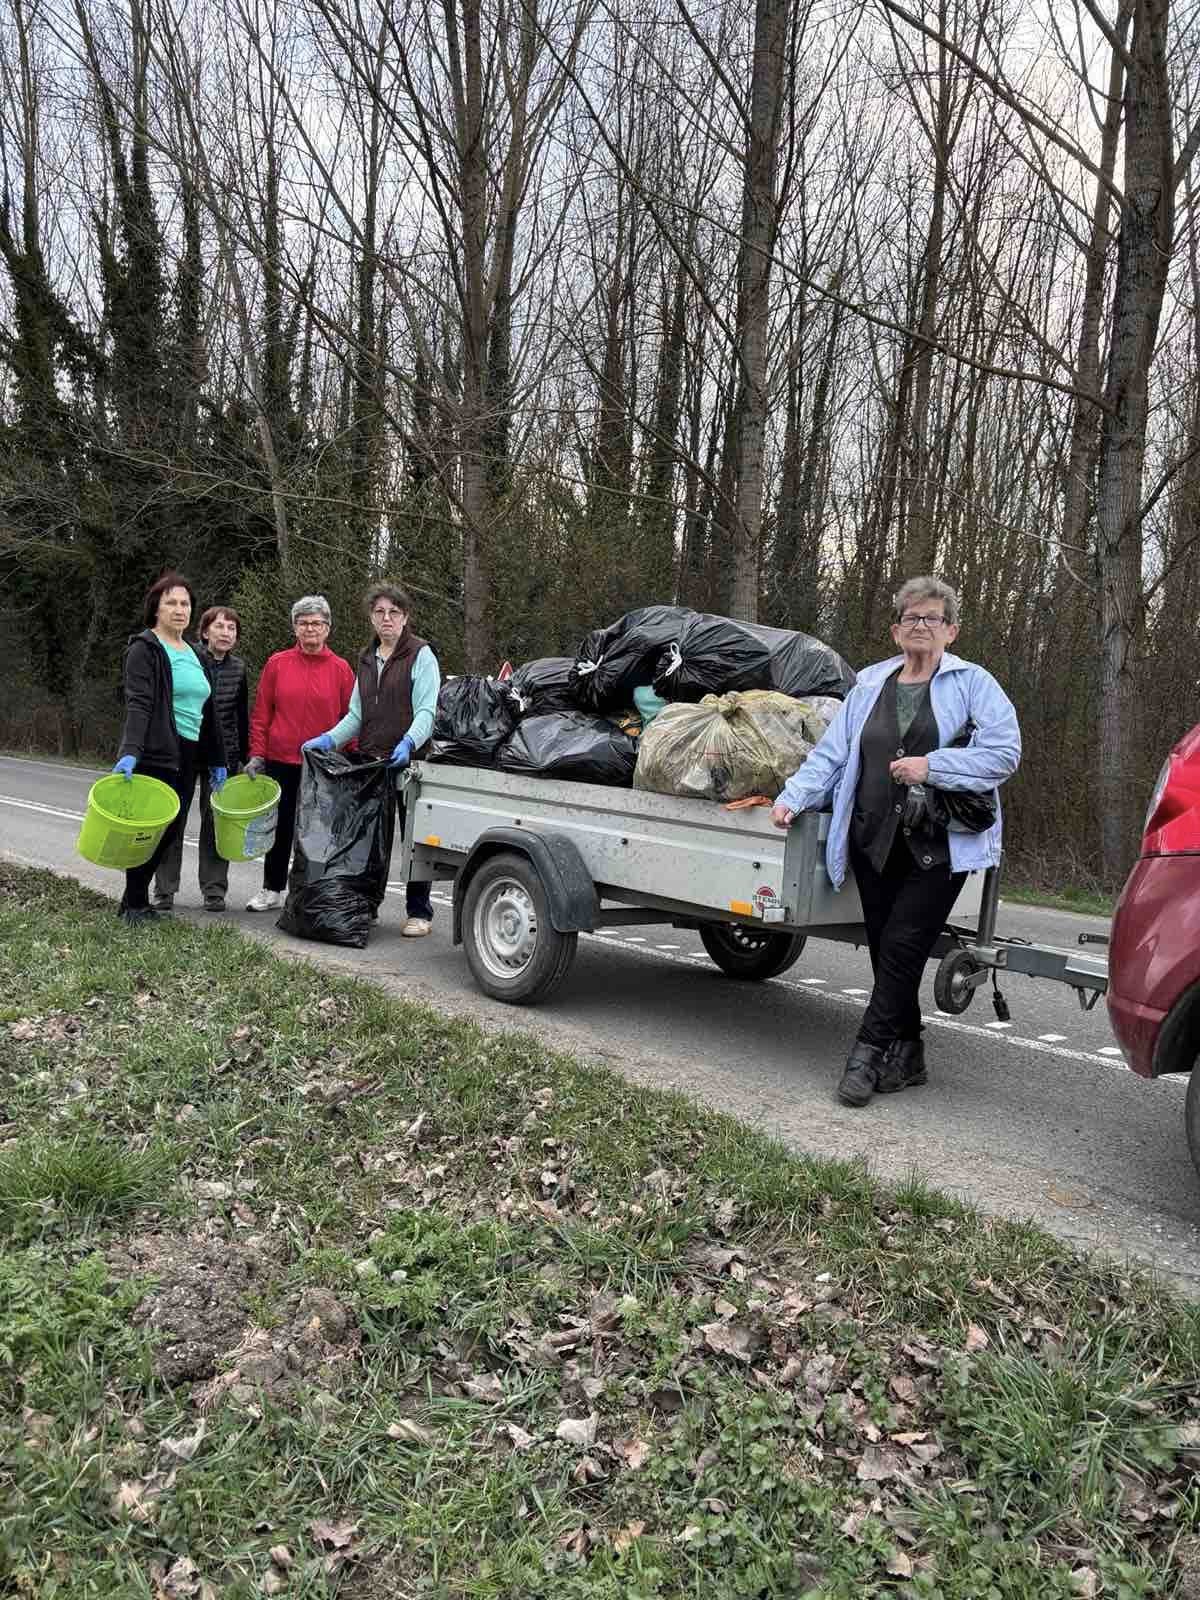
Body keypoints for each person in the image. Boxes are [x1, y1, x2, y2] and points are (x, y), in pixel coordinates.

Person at [771, 576, 1021, 1108]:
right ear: (895, 629)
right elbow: (834, 753)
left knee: (905, 945)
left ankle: (866, 1055)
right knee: (888, 951)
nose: (921, 626)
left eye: (932, 618)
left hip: (939, 846)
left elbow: (1003, 754)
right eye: (911, 618)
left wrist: (934, 766)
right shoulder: (869, 684)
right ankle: (909, 1054)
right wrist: (794, 796)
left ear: (951, 630)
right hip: (872, 837)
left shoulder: (974, 684)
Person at [304, 582, 440, 936]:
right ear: (371, 617)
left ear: (405, 616)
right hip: (371, 762)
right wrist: (329, 739)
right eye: (380, 612)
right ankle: (366, 905)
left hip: (409, 763)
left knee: (413, 842)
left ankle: (419, 912)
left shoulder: (420, 654)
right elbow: (355, 715)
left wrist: (410, 742)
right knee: (369, 841)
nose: (387, 619)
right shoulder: (366, 658)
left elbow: (427, 710)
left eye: (394, 612)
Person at [111, 572, 228, 925]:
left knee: (171, 830)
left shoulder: (196, 654)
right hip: (157, 749)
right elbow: (139, 704)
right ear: (156, 608)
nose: (180, 609)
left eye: (185, 603)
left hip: (189, 753)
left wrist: (217, 759)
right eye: (171, 603)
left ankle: (133, 902)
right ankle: (134, 905)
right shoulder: (144, 649)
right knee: (149, 830)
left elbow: (209, 711)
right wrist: (131, 750)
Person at [242, 595, 355, 912]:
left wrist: (353, 760)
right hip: (281, 760)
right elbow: (262, 714)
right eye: (303, 623)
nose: (310, 629)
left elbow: (352, 718)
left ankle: (312, 892)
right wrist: (257, 754)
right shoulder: (277, 663)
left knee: (318, 832)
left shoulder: (342, 670)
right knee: (279, 828)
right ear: (294, 628)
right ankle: (271, 889)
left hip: (322, 765)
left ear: (328, 628)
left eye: (317, 623)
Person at [152, 605, 249, 913]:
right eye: (219, 627)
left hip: (224, 756)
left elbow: (240, 715)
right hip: (184, 749)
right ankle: (164, 889)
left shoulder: (239, 668)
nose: (225, 633)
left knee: (216, 824)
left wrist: (244, 758)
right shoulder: (187, 657)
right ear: (205, 631)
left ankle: (214, 891)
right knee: (173, 819)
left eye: (231, 629)